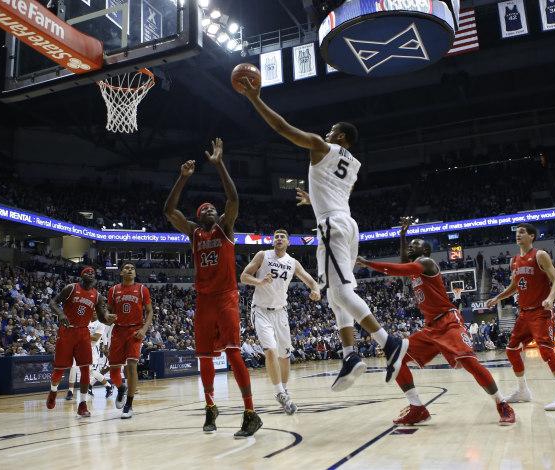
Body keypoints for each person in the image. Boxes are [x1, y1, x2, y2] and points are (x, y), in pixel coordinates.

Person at [240, 79, 408, 393]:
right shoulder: (354, 164)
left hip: (332, 225)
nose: (326, 132)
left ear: (340, 136)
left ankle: (390, 343)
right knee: (335, 294)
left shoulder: (322, 146)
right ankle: (350, 355)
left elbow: (282, 127)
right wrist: (315, 200)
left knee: (341, 294)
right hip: (346, 222)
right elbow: (340, 190)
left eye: (332, 130)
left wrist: (254, 99)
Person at [356, 217, 515, 426]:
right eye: (411, 245)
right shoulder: (415, 266)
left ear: (425, 251)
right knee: (396, 359)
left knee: (469, 362)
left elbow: (400, 268)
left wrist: (367, 263)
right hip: (431, 328)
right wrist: (402, 236)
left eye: (415, 244)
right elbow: (404, 262)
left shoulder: (426, 263)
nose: (412, 247)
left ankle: (502, 403)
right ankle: (417, 408)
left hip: (448, 322)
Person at [163, 138, 262, 438]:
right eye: (204, 208)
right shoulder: (194, 233)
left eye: (212, 209)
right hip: (203, 301)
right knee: (204, 357)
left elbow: (233, 199)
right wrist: (182, 178)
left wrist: (220, 166)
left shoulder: (225, 228)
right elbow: (169, 210)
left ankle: (250, 413)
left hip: (226, 298)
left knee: (233, 354)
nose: (210, 210)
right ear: (198, 216)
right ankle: (210, 408)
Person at [486, 223, 555, 410]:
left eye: (522, 232)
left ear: (532, 236)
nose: (518, 235)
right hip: (524, 313)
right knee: (511, 351)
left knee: (545, 351)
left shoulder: (540, 255)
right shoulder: (514, 260)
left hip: (540, 311)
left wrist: (551, 298)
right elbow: (514, 287)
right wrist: (498, 297)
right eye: (517, 233)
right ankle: (523, 391)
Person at [241, 229, 321, 414]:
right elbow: (244, 276)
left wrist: (315, 290)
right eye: (276, 236)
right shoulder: (263, 255)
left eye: (282, 237)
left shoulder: (292, 263)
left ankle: (284, 390)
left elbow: (311, 281)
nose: (279, 239)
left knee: (285, 356)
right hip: (260, 310)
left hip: (281, 312)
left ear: (288, 242)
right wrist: (259, 282)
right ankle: (279, 393)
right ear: (273, 241)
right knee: (270, 350)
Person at [46, 267, 113, 417]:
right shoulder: (71, 288)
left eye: (93, 272)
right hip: (67, 331)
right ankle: (53, 391)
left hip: (83, 332)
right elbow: (53, 302)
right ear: (82, 276)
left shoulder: (97, 295)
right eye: (88, 272)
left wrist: (110, 318)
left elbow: (102, 317)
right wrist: (61, 314)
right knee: (59, 369)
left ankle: (82, 404)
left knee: (85, 369)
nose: (91, 274)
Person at [107, 263, 154, 419]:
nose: (129, 270)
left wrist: (143, 330)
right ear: (121, 272)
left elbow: (150, 312)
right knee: (114, 369)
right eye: (126, 268)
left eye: (132, 268)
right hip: (118, 330)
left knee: (132, 365)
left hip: (135, 331)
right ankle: (121, 388)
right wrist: (108, 316)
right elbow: (109, 312)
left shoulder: (142, 289)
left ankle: (129, 405)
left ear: (135, 273)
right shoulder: (113, 290)